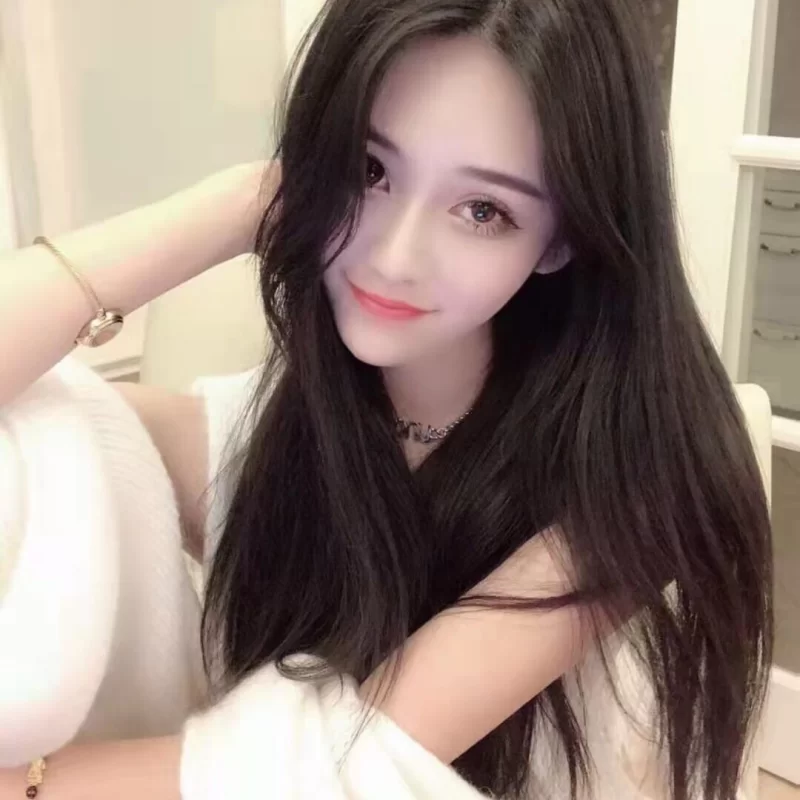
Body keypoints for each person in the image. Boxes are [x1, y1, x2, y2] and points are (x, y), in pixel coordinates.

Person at [0, 0, 773, 798]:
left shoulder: (636, 485)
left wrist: (29, 783)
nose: (395, 257)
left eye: (483, 210)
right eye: (369, 170)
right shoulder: (248, 444)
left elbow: (327, 772)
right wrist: (237, 203)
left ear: (560, 240)